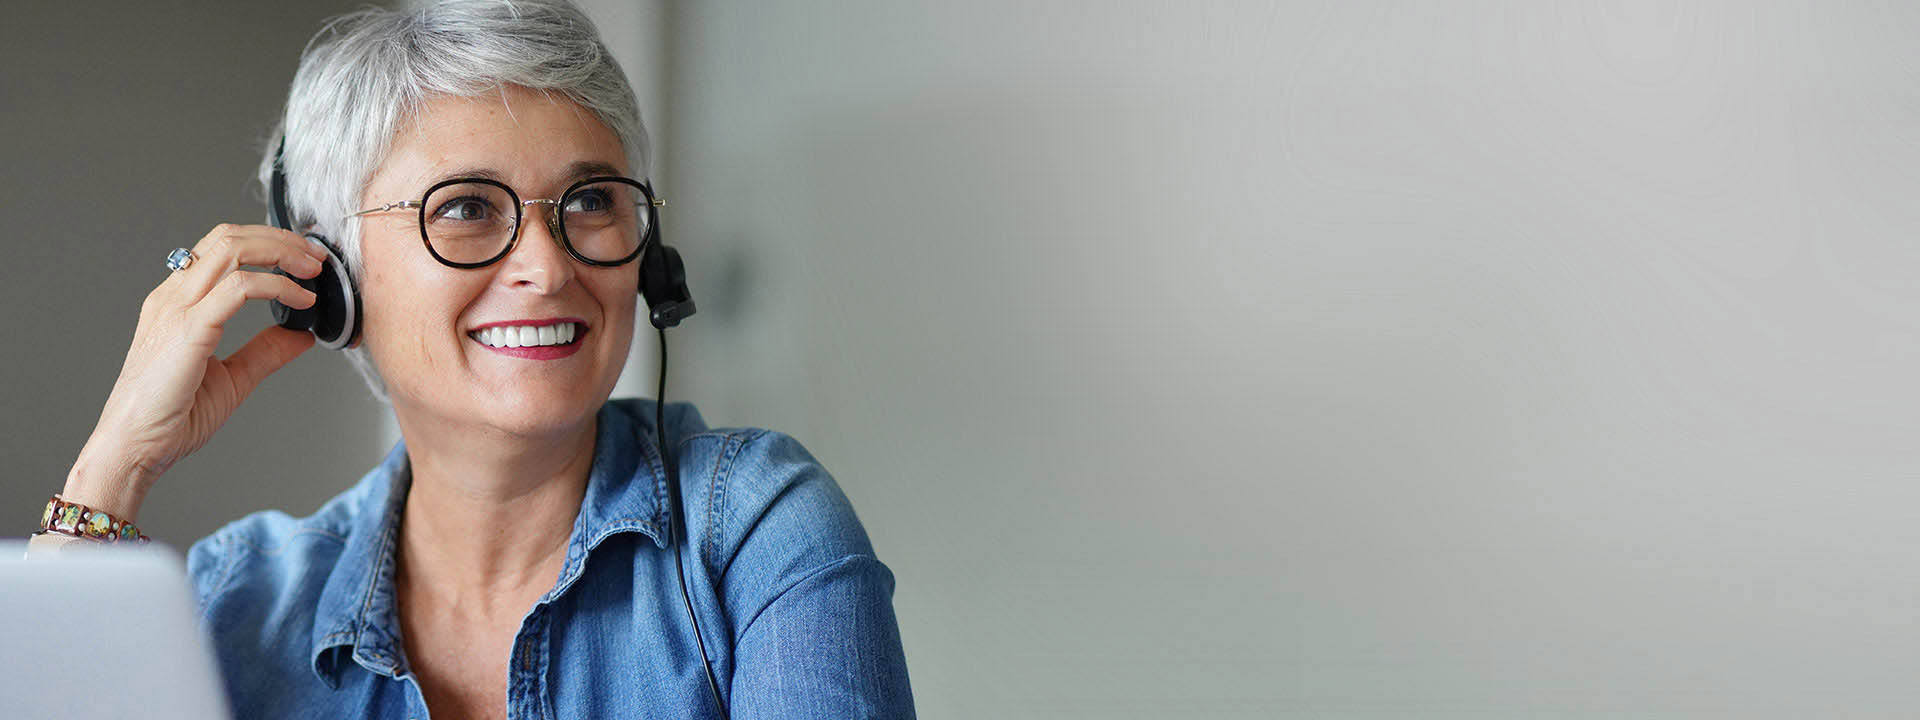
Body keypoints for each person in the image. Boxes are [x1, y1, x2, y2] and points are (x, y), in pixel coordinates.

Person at [28, 1, 915, 718]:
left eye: (592, 198)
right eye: (465, 208)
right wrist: (115, 467)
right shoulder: (236, 599)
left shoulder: (755, 531)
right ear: (327, 275)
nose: (547, 265)